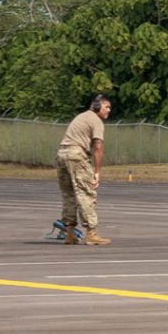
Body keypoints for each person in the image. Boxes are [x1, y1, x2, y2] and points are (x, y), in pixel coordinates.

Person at [56, 95, 113, 245]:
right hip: (76, 155)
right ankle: (91, 234)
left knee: (68, 194)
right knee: (86, 193)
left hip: (62, 154)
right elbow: (98, 149)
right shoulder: (96, 121)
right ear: (96, 107)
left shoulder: (81, 117)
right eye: (106, 107)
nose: (109, 110)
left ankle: (69, 233)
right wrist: (96, 173)